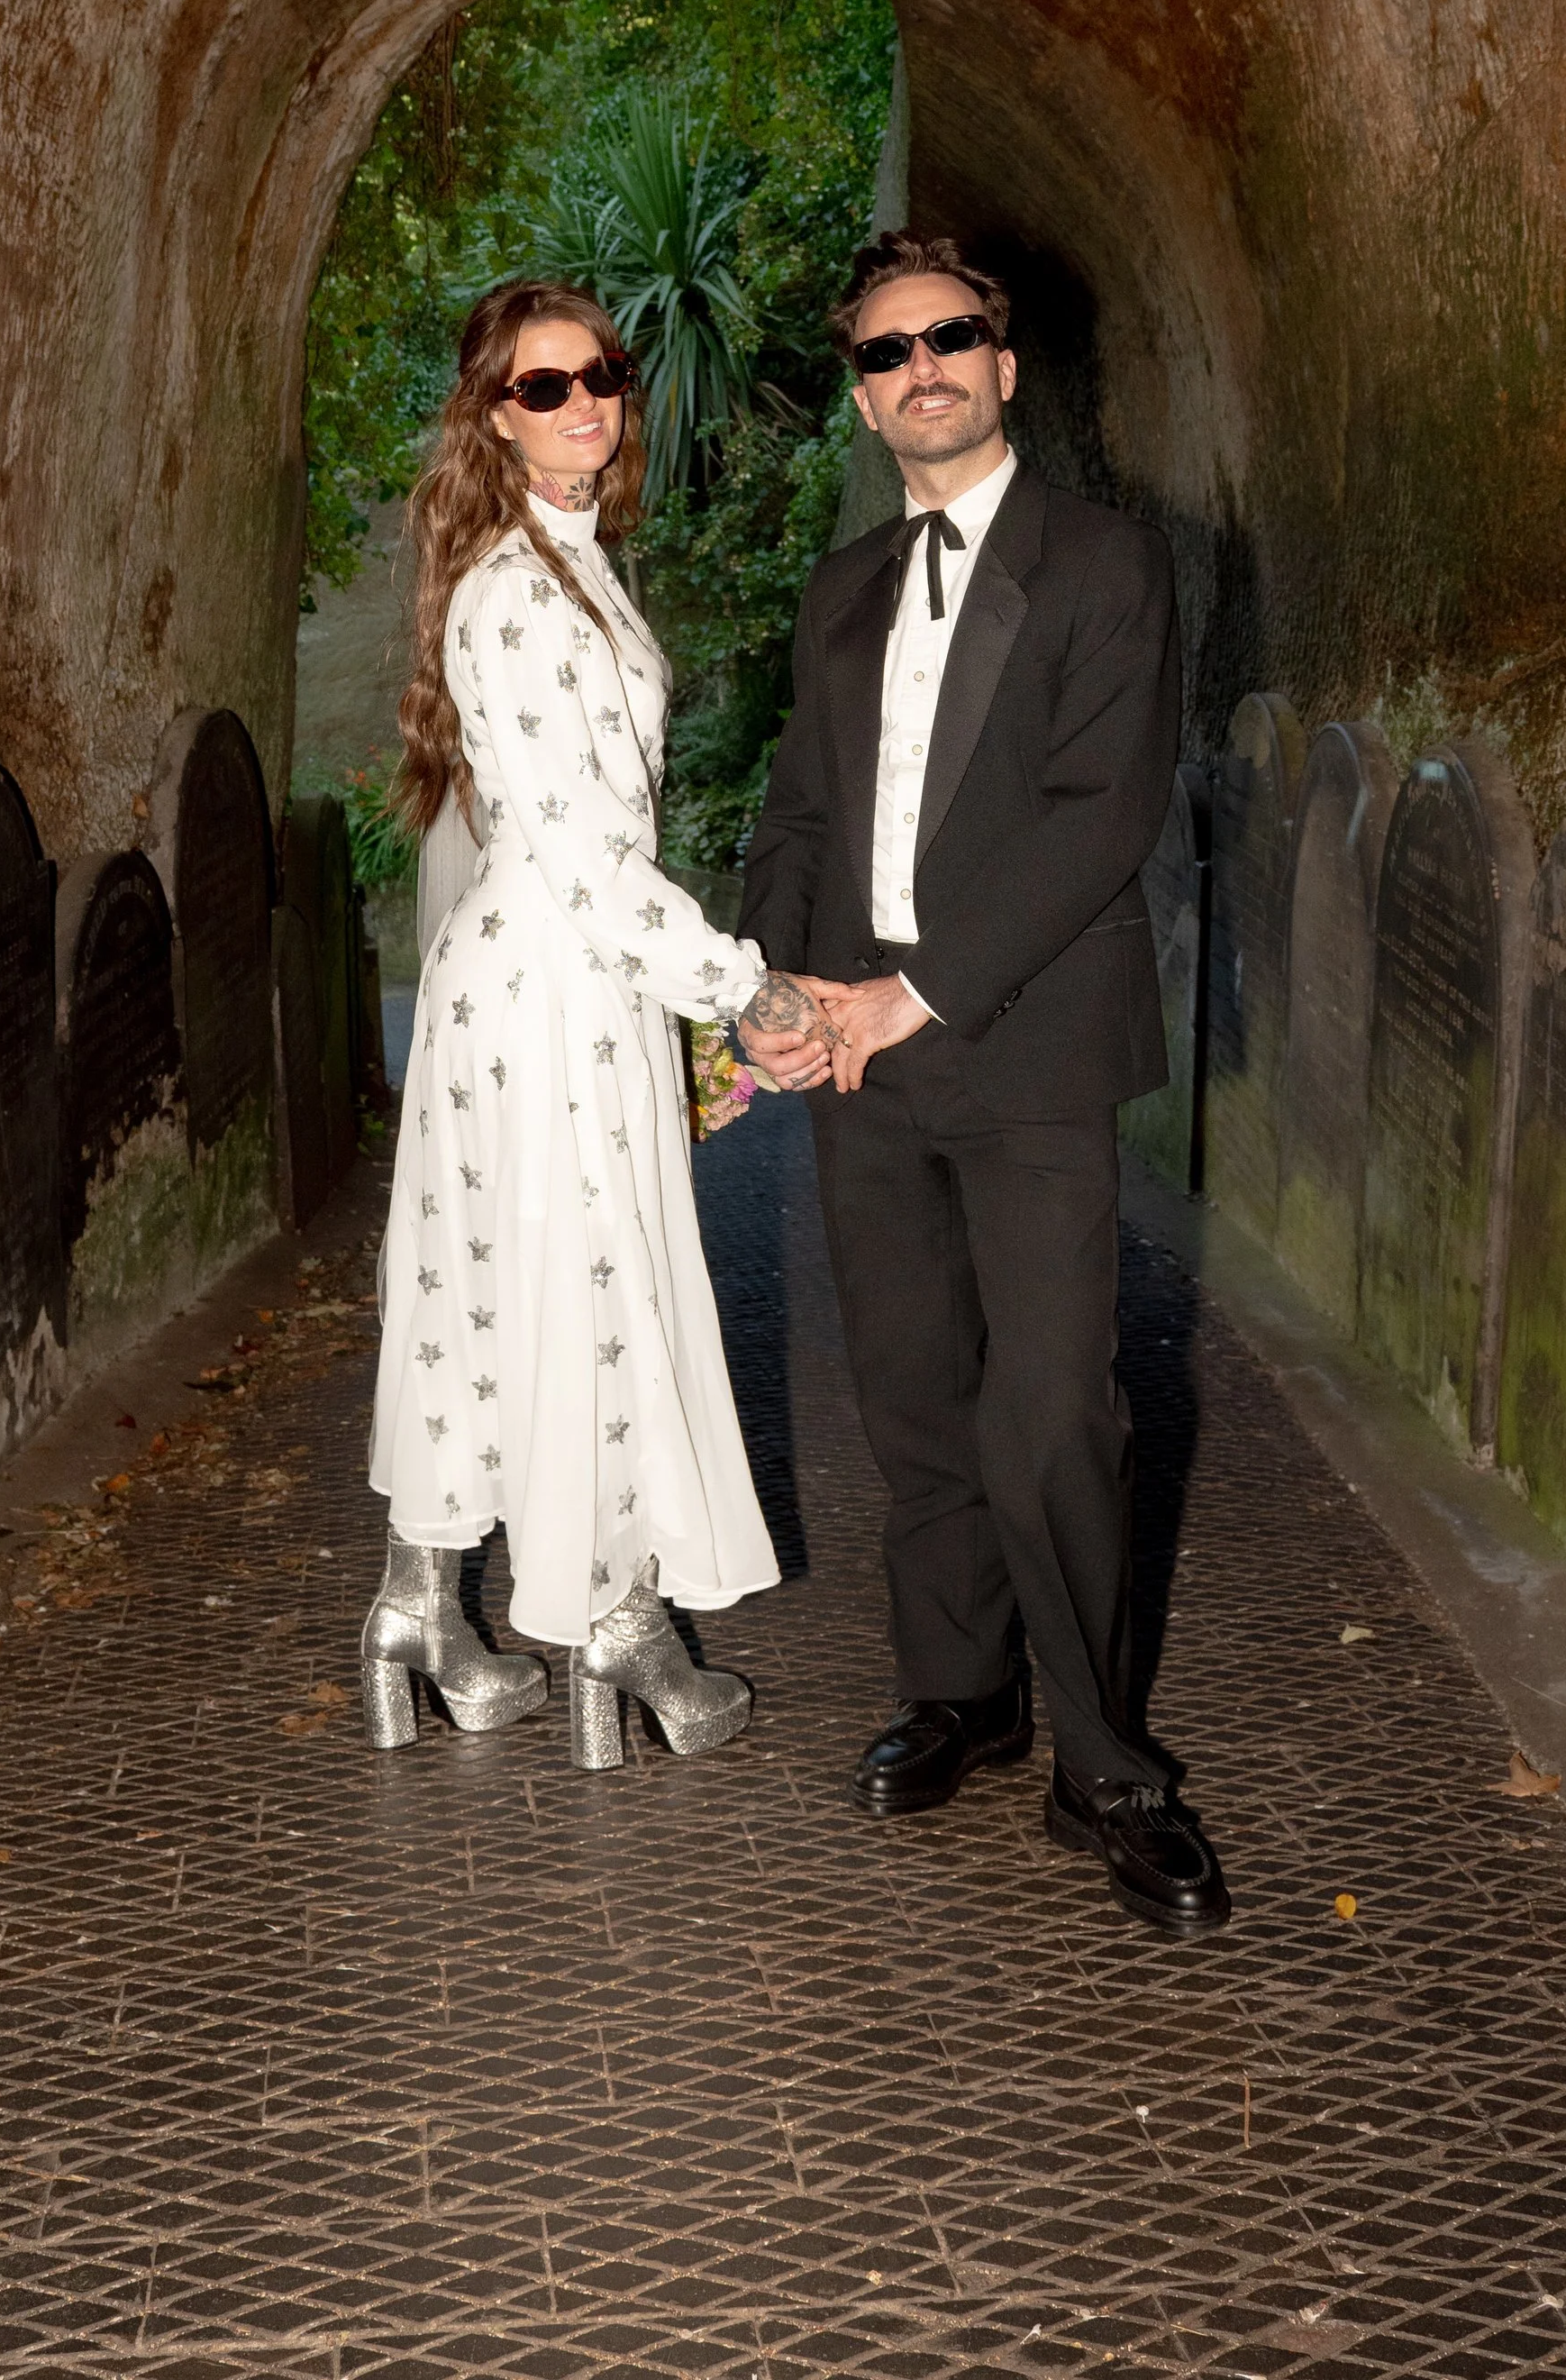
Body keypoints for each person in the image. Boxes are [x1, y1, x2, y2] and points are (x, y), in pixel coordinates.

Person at [738, 229, 1231, 1933]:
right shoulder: (840, 592)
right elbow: (800, 809)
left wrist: (913, 998)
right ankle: (962, 1690)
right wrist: (770, 991)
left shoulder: (1106, 563)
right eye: (886, 353)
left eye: (947, 338)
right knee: (911, 1394)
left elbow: (1103, 816)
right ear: (864, 401)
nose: (921, 369)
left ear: (1003, 368)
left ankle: (1106, 1766)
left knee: (1055, 1413)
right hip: (856, 1063)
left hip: (1023, 1053)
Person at [366, 278, 812, 1768]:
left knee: (505, 1289)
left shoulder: (576, 562)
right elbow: (577, 849)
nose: (585, 405)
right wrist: (739, 986)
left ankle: (421, 1610)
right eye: (542, 386)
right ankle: (614, 1626)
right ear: (493, 417)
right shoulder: (512, 589)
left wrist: (677, 992)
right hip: (548, 986)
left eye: (602, 375)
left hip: (572, 977)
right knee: (587, 1289)